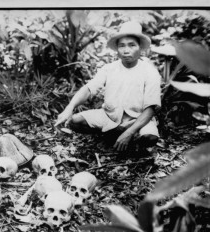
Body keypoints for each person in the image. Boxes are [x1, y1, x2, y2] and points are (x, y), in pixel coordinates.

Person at [55, 21, 162, 153]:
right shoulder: (109, 69)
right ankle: (114, 135)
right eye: (122, 46)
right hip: (109, 117)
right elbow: (89, 89)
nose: (126, 50)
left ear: (139, 47)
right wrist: (69, 108)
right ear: (117, 48)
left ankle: (127, 138)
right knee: (75, 121)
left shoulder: (150, 71)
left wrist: (129, 131)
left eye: (132, 45)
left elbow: (151, 108)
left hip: (137, 120)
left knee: (149, 137)